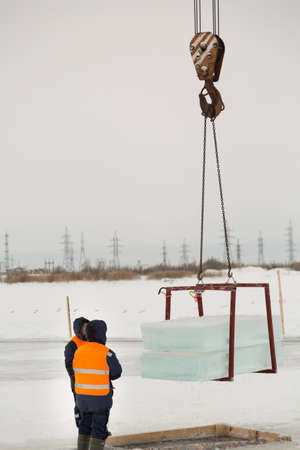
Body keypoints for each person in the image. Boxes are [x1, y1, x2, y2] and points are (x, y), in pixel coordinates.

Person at [73, 319, 122, 450]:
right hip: (100, 399)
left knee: (85, 425)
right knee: (99, 428)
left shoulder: (79, 351)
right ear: (102, 334)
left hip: (82, 399)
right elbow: (116, 373)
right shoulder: (107, 353)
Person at [64, 317, 90, 427]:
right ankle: (82, 429)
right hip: (79, 384)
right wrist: (77, 378)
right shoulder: (72, 345)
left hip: (93, 382)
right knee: (81, 408)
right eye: (84, 327)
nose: (86, 329)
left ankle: (95, 431)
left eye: (87, 327)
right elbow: (69, 365)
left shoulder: (91, 341)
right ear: (78, 329)